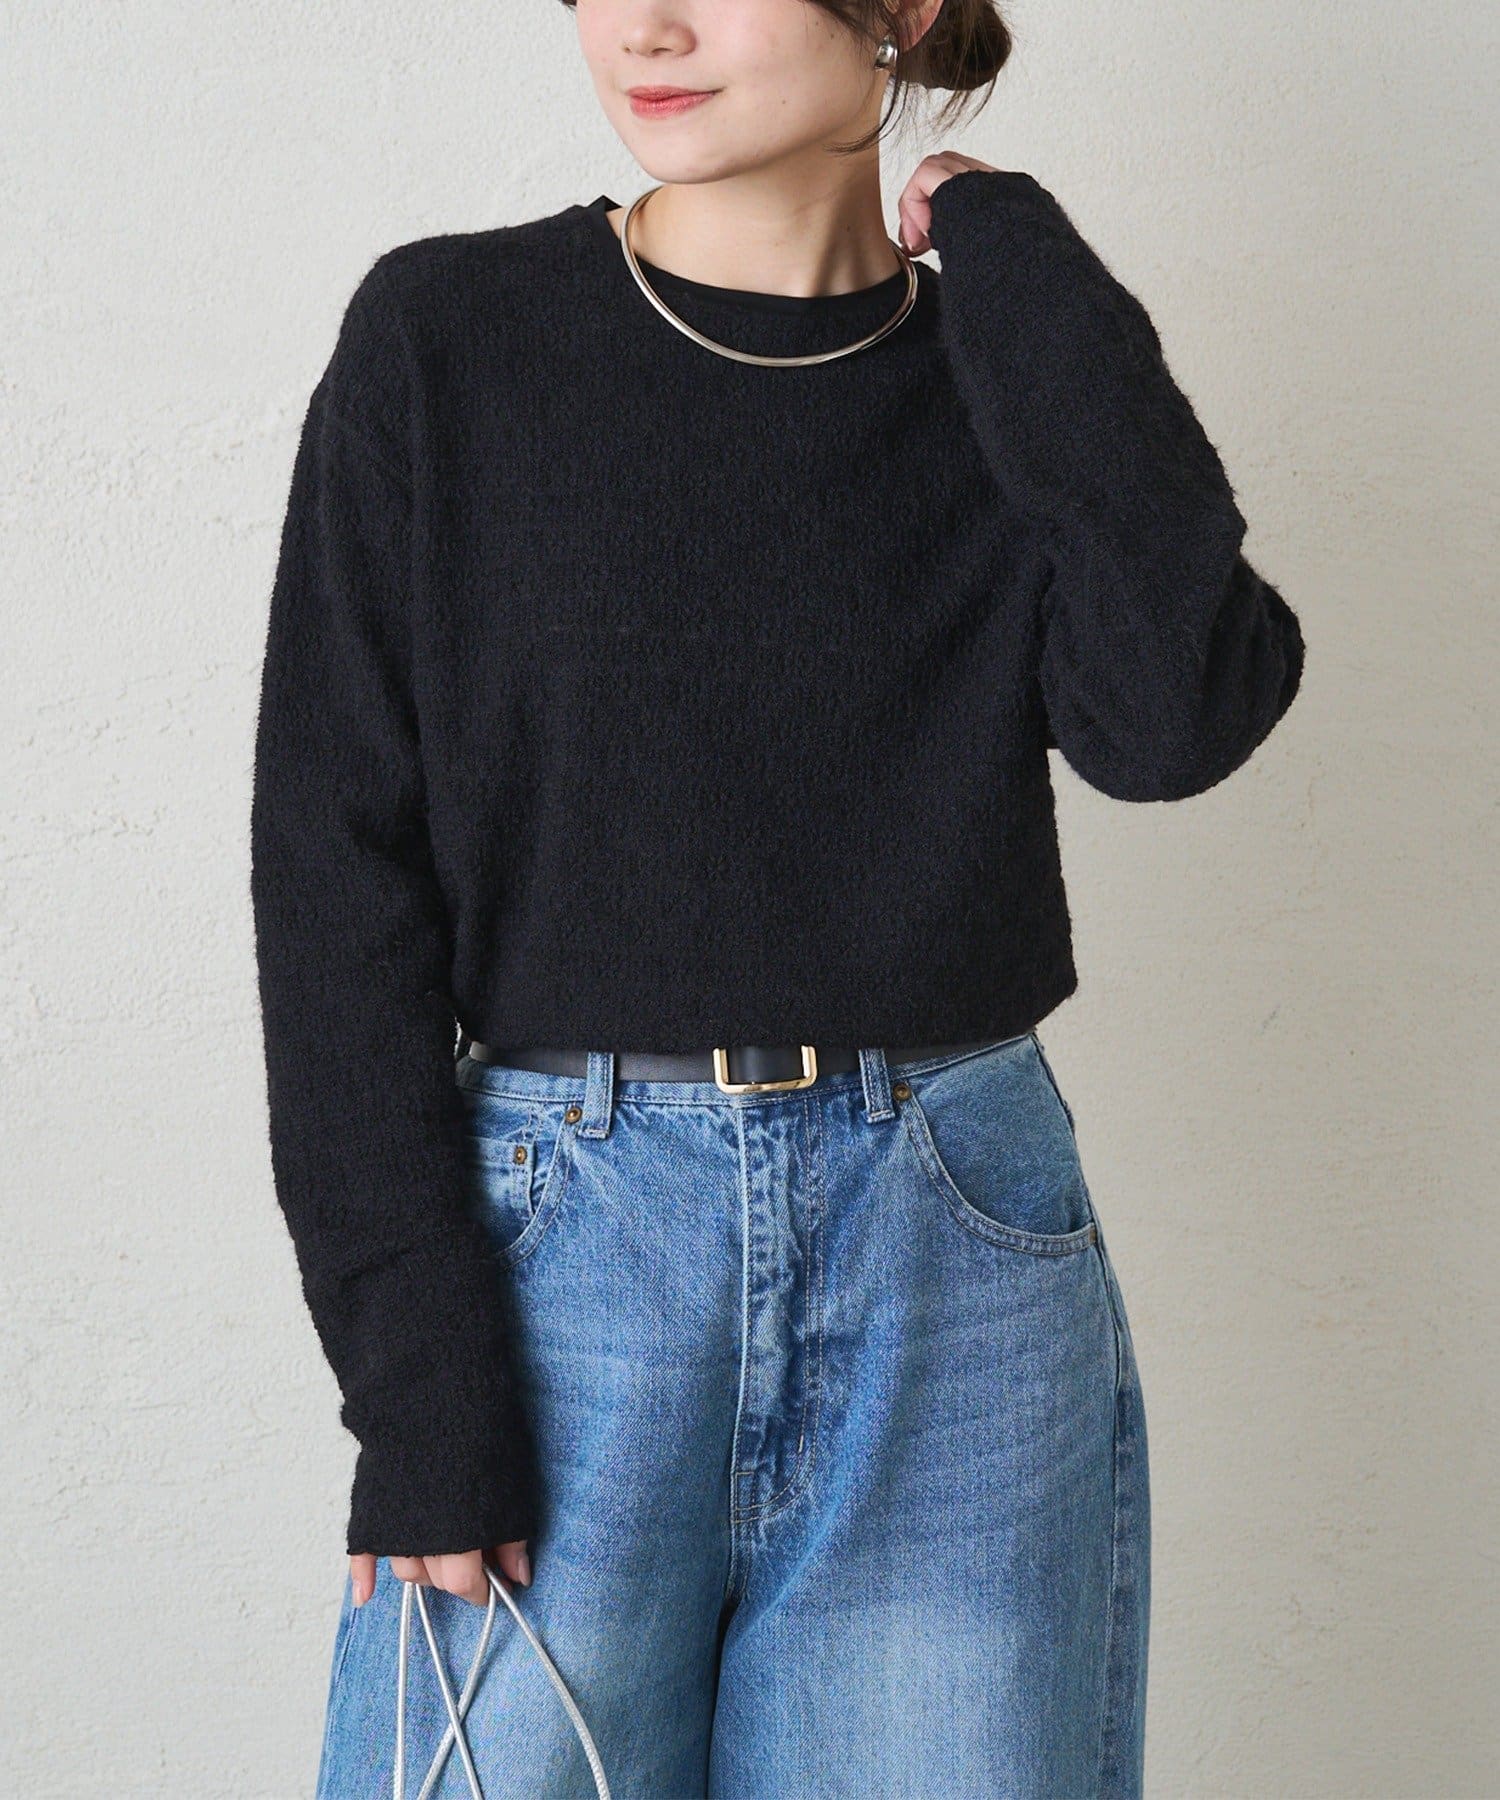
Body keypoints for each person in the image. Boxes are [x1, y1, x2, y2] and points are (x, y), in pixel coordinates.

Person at [249, 1, 1304, 1794]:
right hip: (561, 1264)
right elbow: (336, 884)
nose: (646, 26)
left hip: (955, 1267)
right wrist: (413, 1380)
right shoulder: (450, 339)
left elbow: (1177, 718)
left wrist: (1035, 283)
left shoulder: (1002, 368)